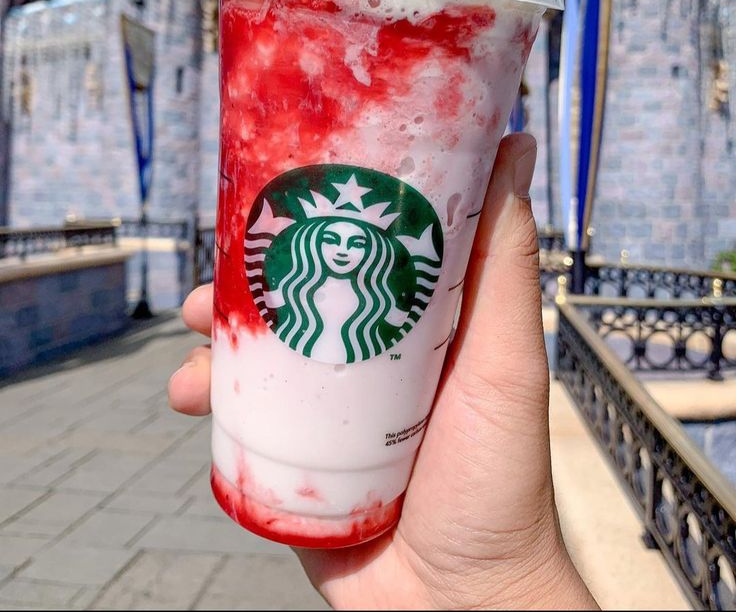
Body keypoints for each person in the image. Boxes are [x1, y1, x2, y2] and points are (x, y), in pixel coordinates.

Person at [168, 133, 598, 610]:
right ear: (309, 240)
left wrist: (500, 584)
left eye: (357, 241)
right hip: (256, 434)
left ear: (375, 249)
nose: (343, 251)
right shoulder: (296, 295)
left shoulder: (380, 311)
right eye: (330, 238)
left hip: (405, 502)